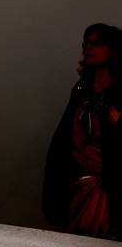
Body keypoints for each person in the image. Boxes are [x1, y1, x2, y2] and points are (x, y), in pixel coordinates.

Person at [43, 23, 122, 240]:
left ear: (113, 50)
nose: (88, 47)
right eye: (86, 43)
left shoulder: (120, 93)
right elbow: (65, 139)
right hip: (78, 188)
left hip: (110, 193)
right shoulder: (81, 91)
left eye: (97, 43)